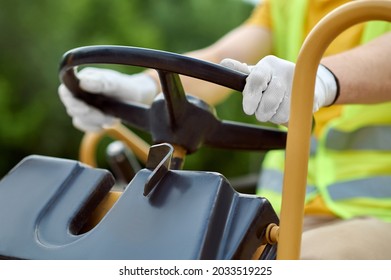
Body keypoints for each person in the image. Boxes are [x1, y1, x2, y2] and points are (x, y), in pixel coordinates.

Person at [58, 0, 391, 259]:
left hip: (376, 216)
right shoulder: (287, 5)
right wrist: (139, 88)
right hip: (279, 217)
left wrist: (319, 79)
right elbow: (222, 57)